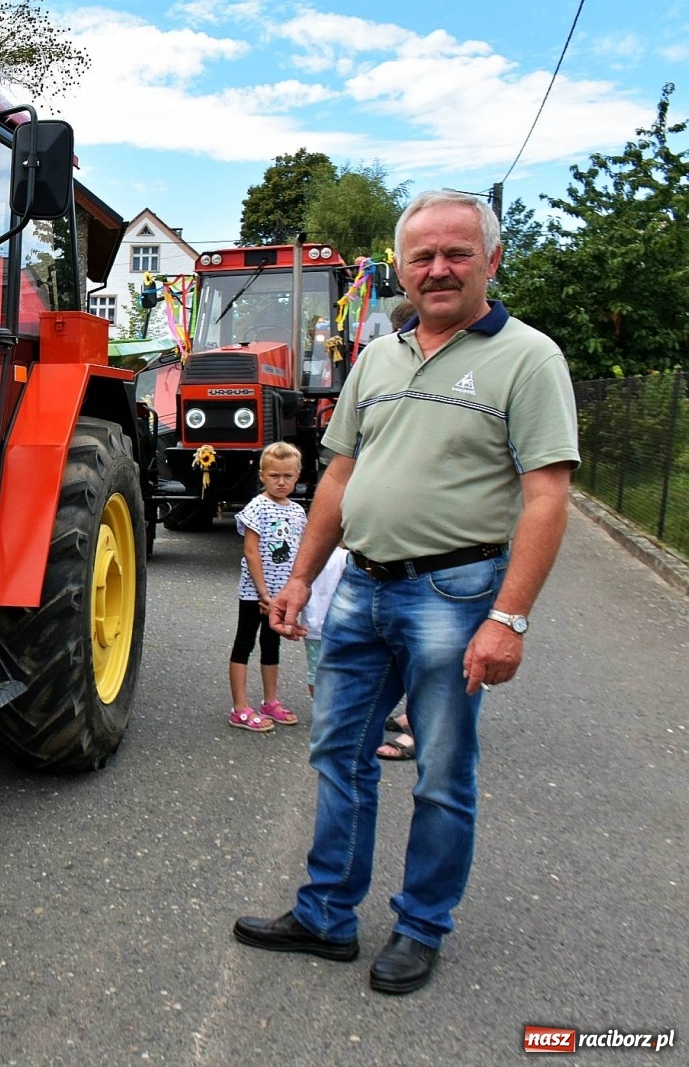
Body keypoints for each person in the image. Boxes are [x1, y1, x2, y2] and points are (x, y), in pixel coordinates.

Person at [232, 189, 580, 995]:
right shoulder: (379, 359)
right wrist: (302, 578)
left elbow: (547, 495)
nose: (438, 268)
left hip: (456, 595)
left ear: (492, 260)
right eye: (421, 256)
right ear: (400, 266)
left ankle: (421, 926)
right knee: (338, 753)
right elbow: (339, 476)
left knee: (440, 771)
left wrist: (508, 617)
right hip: (361, 586)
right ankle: (326, 915)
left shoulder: (528, 357)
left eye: (457, 252)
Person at [227, 442, 308, 732]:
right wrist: (264, 594)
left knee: (271, 645)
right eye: (275, 476)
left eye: (287, 476)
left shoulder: (298, 513)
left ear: (298, 475)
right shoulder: (256, 508)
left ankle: (270, 701)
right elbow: (251, 552)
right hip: (255, 593)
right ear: (262, 475)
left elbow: (300, 554)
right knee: (244, 643)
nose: (281, 482)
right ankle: (240, 708)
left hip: (282, 594)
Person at [300, 544, 350, 705]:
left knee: (315, 670)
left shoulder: (307, 556)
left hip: (312, 622)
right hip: (339, 622)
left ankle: (320, 708)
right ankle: (338, 706)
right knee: (342, 666)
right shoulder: (345, 557)